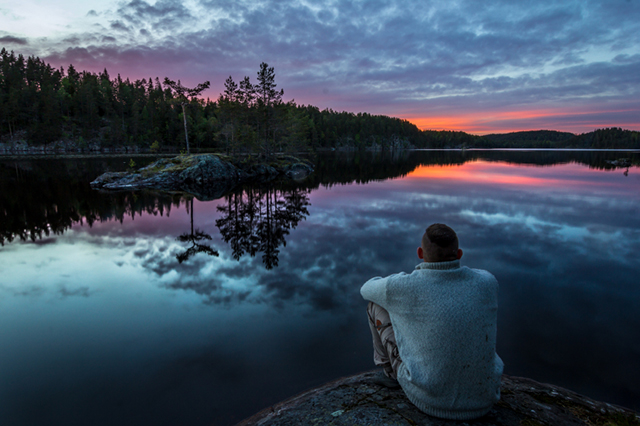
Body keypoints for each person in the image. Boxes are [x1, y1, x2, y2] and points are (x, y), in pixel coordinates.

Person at [360, 223, 503, 420]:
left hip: (430, 401)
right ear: (459, 254)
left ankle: (391, 374)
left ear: (420, 253)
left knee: (375, 307)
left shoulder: (403, 286)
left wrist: (397, 281)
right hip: (485, 400)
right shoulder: (487, 282)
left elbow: (366, 289)